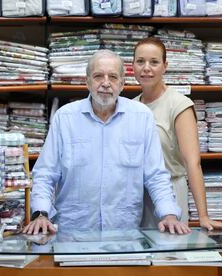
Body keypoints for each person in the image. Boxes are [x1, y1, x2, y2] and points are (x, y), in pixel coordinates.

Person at [23, 49, 191, 235]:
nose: (105, 83)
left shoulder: (141, 117)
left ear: (122, 83)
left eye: (112, 77)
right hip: (72, 232)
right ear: (87, 81)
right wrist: (40, 213)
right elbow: (45, 173)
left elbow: (155, 175)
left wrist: (169, 214)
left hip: (125, 232)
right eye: (98, 76)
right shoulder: (65, 118)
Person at [131, 37, 222, 232]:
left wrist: (203, 216)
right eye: (140, 61)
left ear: (165, 66)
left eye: (154, 62)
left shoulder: (179, 105)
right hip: (136, 196)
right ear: (132, 65)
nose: (146, 68)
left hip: (170, 193)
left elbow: (192, 163)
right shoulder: (131, 106)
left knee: (167, 258)